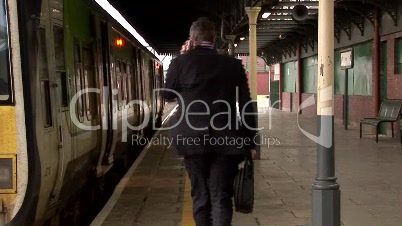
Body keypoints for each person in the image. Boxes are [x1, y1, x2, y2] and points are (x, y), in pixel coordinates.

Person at [162, 17, 257, 226]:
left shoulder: (180, 62)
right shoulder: (233, 65)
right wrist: (251, 142)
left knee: (200, 196)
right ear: (215, 38)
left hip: (191, 139)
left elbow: (167, 95)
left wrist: (182, 58)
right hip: (227, 140)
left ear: (192, 39)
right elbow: (246, 106)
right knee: (221, 196)